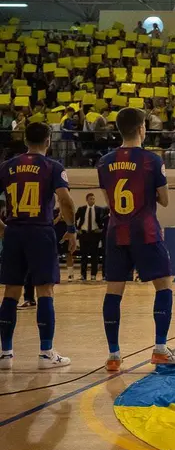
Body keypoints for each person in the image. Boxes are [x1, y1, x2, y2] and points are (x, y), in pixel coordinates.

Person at [96, 108, 175, 372]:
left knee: (113, 291)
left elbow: (109, 201)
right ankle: (160, 349)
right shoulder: (152, 160)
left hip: (116, 231)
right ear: (142, 128)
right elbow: (165, 200)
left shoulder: (104, 162)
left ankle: (113, 355)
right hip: (145, 230)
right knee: (164, 285)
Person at [0, 123, 76, 370]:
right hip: (40, 232)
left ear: (25, 140)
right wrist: (71, 230)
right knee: (45, 291)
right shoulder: (53, 167)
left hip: (14, 232)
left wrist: (2, 228)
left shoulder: (7, 166)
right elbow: (65, 201)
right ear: (48, 141)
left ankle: (5, 354)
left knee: (11, 292)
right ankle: (45, 353)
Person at [75, 193, 107, 281]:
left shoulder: (99, 209)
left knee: (94, 255)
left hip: (94, 234)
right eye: (90, 199)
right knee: (83, 255)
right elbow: (74, 218)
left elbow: (105, 220)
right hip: (84, 233)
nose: (92, 200)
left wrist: (101, 229)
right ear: (87, 200)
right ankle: (83, 275)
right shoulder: (81, 209)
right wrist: (77, 229)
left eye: (93, 199)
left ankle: (93, 275)